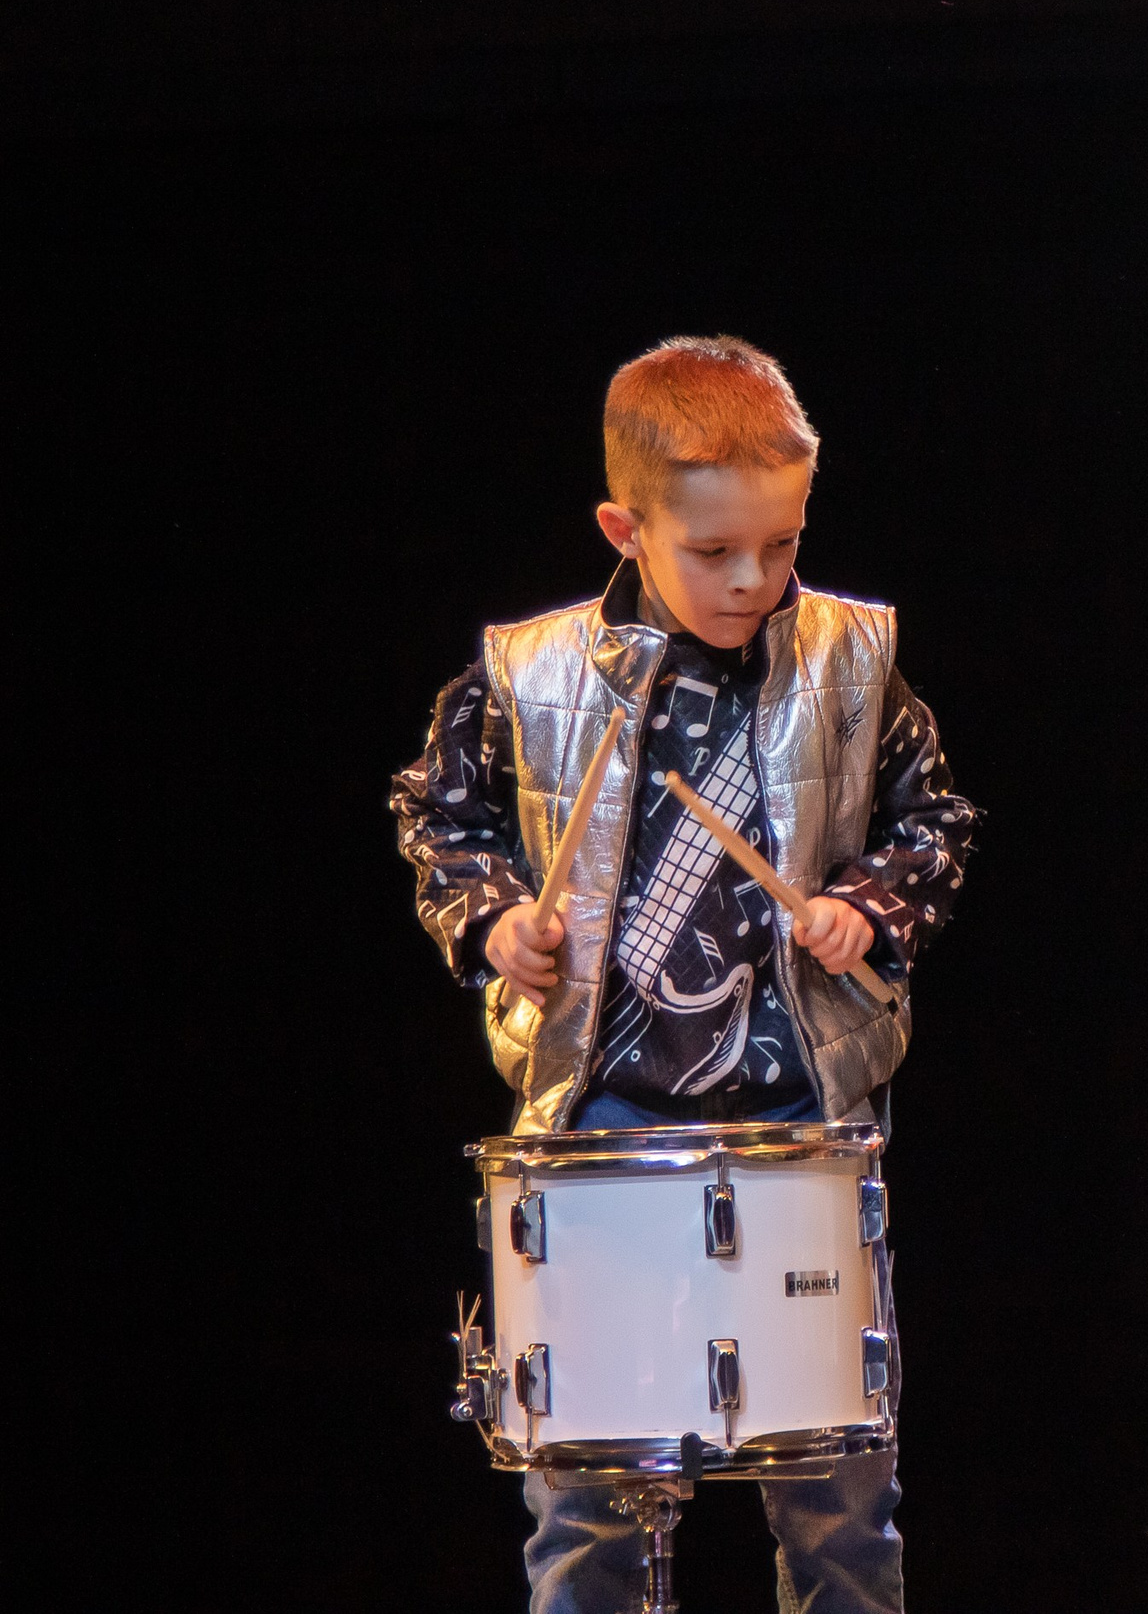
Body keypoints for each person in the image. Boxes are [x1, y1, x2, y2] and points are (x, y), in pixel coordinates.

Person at [391, 335, 979, 1614]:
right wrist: (495, 922)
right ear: (626, 527)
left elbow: (934, 821)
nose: (754, 579)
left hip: (798, 1121)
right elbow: (441, 816)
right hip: (599, 1124)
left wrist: (864, 907)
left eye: (782, 545)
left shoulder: (851, 656)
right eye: (714, 552)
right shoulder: (530, 670)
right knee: (588, 1511)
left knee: (838, 1507)